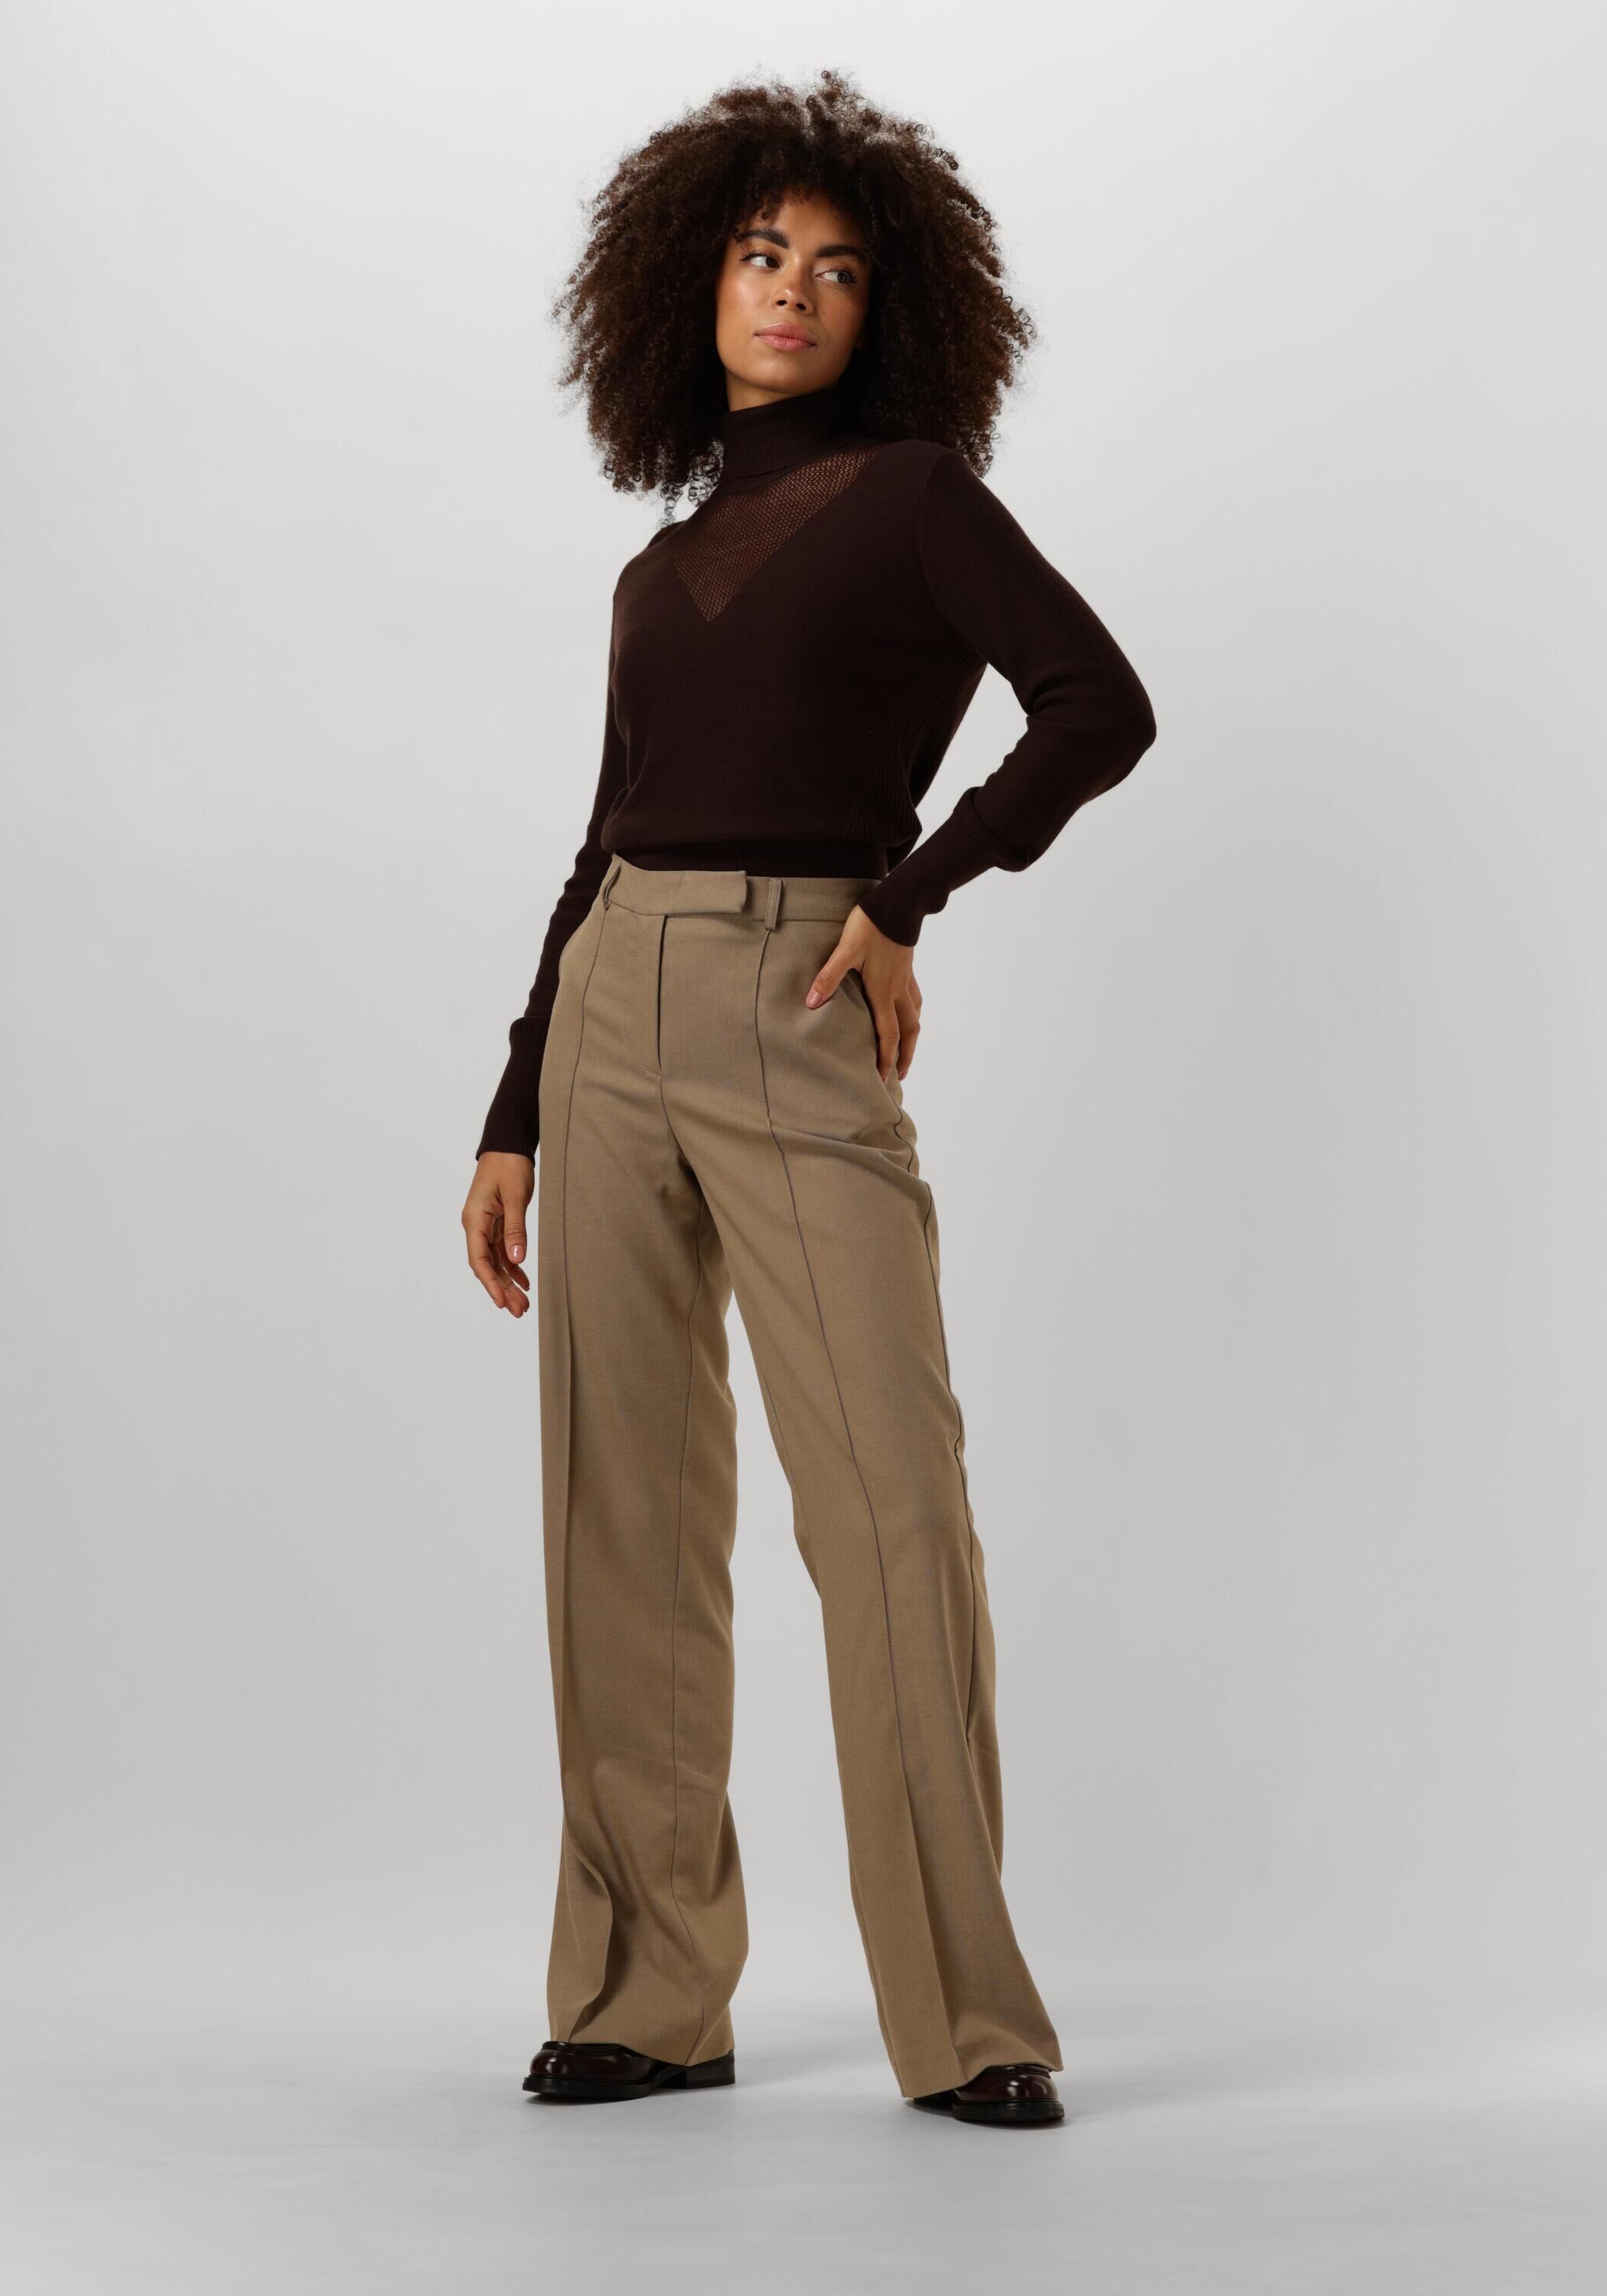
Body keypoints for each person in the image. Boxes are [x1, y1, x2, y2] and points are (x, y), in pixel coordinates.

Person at [461, 68, 1156, 2129]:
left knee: (888, 1505)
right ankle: (644, 1996)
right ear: (692, 285)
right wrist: (512, 1105)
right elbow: (601, 842)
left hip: (798, 995)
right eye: (763, 255)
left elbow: (1098, 706)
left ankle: (969, 2017)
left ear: (889, 310)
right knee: (617, 1514)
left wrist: (908, 896)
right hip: (610, 1007)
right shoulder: (653, 572)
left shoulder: (918, 500)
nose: (791, 292)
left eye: (838, 270)